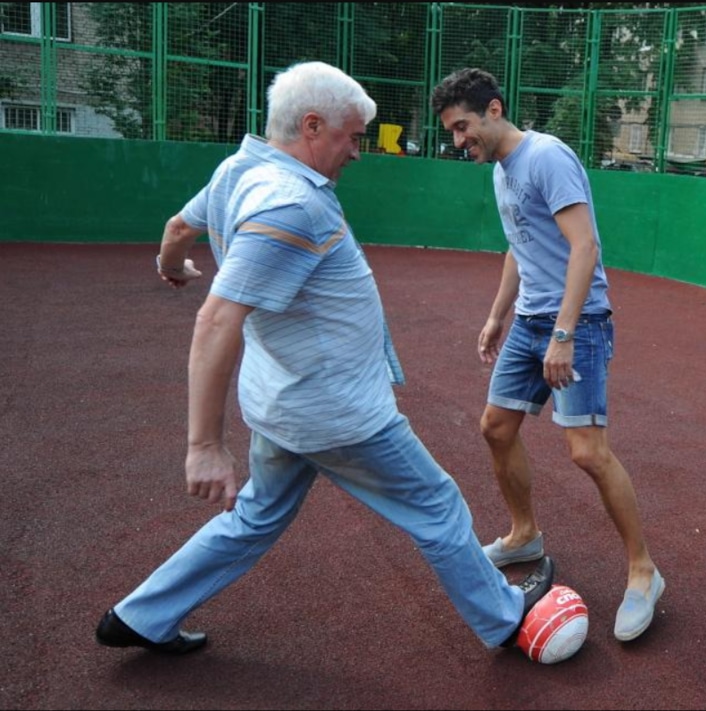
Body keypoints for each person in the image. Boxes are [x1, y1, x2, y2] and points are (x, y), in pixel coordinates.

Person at [94, 60, 555, 657]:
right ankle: (505, 617)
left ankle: (140, 617)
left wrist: (168, 264)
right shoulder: (289, 205)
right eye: (352, 136)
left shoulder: (240, 169)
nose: (358, 151)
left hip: (282, 400)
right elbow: (215, 319)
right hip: (337, 413)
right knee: (437, 505)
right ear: (312, 126)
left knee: (255, 518)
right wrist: (204, 445)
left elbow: (179, 225)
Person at [430, 68, 664, 642]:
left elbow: (584, 246)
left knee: (587, 452)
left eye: (463, 128)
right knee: (495, 426)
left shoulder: (546, 157)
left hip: (576, 325)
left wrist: (562, 335)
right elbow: (520, 245)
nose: (460, 142)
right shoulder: (501, 170)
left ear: (494, 108)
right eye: (453, 133)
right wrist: (495, 315)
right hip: (532, 321)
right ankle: (523, 534)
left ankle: (644, 570)